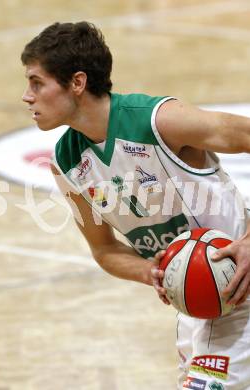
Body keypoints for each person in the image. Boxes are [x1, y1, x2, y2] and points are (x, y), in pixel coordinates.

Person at [21, 21, 250, 389]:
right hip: (196, 301)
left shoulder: (159, 121)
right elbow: (105, 249)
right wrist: (150, 272)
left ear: (77, 83)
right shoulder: (66, 162)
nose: (27, 96)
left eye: (37, 82)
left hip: (240, 286)